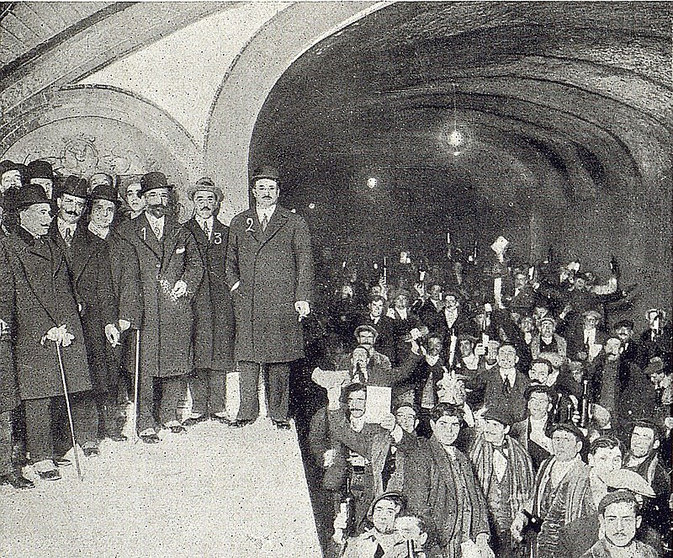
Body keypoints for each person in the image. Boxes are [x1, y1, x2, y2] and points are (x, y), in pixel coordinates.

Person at [0, 185, 94, 480]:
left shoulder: (50, 243)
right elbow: (20, 294)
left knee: (55, 389)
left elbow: (65, 288)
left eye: (49, 211)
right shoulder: (11, 247)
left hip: (59, 327)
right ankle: (39, 457)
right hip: (32, 332)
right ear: (23, 215)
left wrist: (66, 324)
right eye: (41, 212)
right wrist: (46, 327)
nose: (48, 217)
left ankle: (51, 449)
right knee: (36, 396)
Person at [226, 165, 314, 429]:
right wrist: (235, 286)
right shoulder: (240, 222)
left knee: (279, 360)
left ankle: (278, 414)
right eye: (261, 188)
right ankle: (246, 413)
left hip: (281, 302)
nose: (266, 193)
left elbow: (305, 262)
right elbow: (229, 260)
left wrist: (302, 297)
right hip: (249, 301)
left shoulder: (294, 221)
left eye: (271, 188)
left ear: (278, 192)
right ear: (254, 192)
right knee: (248, 358)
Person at [119, 172, 203, 442]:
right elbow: (122, 273)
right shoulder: (127, 232)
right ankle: (145, 421)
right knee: (144, 367)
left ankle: (169, 414)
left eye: (163, 196)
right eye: (153, 195)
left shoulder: (181, 231)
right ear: (143, 199)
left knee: (176, 363)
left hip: (175, 308)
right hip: (144, 309)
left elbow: (195, 265)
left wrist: (186, 285)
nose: (159, 201)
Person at [50, 176, 120, 452]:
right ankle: (58, 441)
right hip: (54, 316)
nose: (73, 209)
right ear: (58, 203)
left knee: (87, 375)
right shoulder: (45, 238)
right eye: (69, 202)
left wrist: (109, 322)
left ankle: (87, 435)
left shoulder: (95, 243)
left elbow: (105, 289)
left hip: (88, 320)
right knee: (54, 378)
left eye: (79, 205)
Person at [87, 183, 144, 439]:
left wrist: (123, 319)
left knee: (110, 375)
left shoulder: (123, 247)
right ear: (90, 210)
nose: (103, 214)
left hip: (113, 323)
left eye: (109, 209)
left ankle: (109, 427)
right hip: (83, 320)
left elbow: (131, 286)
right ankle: (84, 432)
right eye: (98, 208)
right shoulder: (76, 242)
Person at [405, 403, 494, 557]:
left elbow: (477, 500)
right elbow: (418, 506)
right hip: (438, 543)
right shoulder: (421, 455)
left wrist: (482, 536)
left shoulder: (462, 457)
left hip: (464, 542)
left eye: (454, 425)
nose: (449, 430)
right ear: (433, 425)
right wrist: (432, 544)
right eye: (443, 424)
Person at [183, 177, 235, 424]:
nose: (205, 204)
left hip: (221, 301)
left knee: (220, 351)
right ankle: (198, 407)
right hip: (193, 302)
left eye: (210, 199)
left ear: (216, 204)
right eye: (200, 199)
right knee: (196, 351)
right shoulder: (183, 231)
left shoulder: (226, 233)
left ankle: (218, 407)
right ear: (193, 202)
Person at [511, 423, 593, 558]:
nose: (560, 444)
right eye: (556, 439)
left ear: (578, 446)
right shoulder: (545, 465)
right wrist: (521, 518)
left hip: (567, 544)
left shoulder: (586, 473)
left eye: (566, 439)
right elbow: (534, 498)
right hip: (540, 541)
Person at [469, 406, 535, 557]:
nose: (489, 429)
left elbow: (530, 493)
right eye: (487, 423)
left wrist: (520, 518)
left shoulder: (521, 455)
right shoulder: (474, 450)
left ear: (506, 429)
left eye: (495, 425)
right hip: (483, 526)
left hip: (510, 526)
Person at [579, 490, 658, 558]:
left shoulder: (650, 554)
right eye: (612, 519)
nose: (619, 528)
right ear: (602, 521)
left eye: (626, 519)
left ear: (637, 522)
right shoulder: (590, 556)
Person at [337, 491, 409, 558]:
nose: (383, 516)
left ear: (398, 516)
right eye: (379, 510)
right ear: (372, 514)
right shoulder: (356, 543)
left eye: (390, 512)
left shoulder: (406, 545)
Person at [476, 343, 531, 422]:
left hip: (517, 426)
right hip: (494, 425)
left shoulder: (525, 381)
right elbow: (472, 385)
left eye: (510, 353)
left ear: (516, 359)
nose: (506, 356)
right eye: (502, 353)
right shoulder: (487, 376)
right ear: (497, 358)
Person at [511, 384, 555, 472]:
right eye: (533, 400)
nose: (536, 405)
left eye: (542, 401)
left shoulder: (555, 429)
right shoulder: (518, 428)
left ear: (549, 407)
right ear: (528, 404)